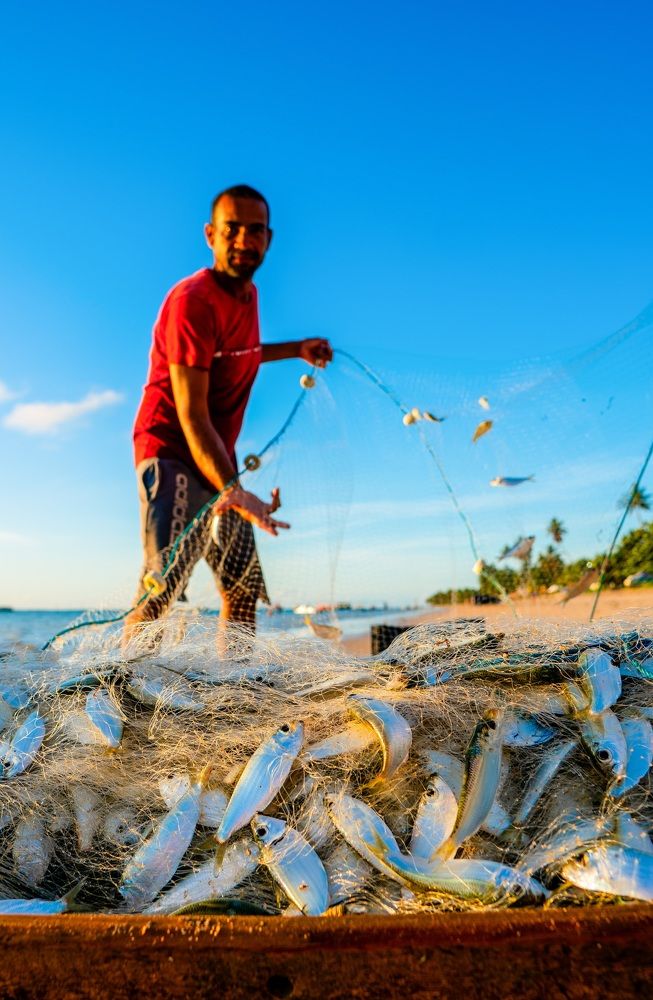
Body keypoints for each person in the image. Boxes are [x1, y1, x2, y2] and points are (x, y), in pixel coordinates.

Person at [126, 184, 332, 645]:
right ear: (210, 235)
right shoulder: (192, 301)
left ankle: (235, 687)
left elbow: (242, 352)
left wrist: (295, 350)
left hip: (218, 460)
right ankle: (124, 699)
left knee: (243, 590)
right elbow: (192, 416)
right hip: (173, 451)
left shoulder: (248, 296)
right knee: (162, 589)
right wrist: (235, 491)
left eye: (254, 230)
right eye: (231, 229)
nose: (244, 240)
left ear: (269, 239)